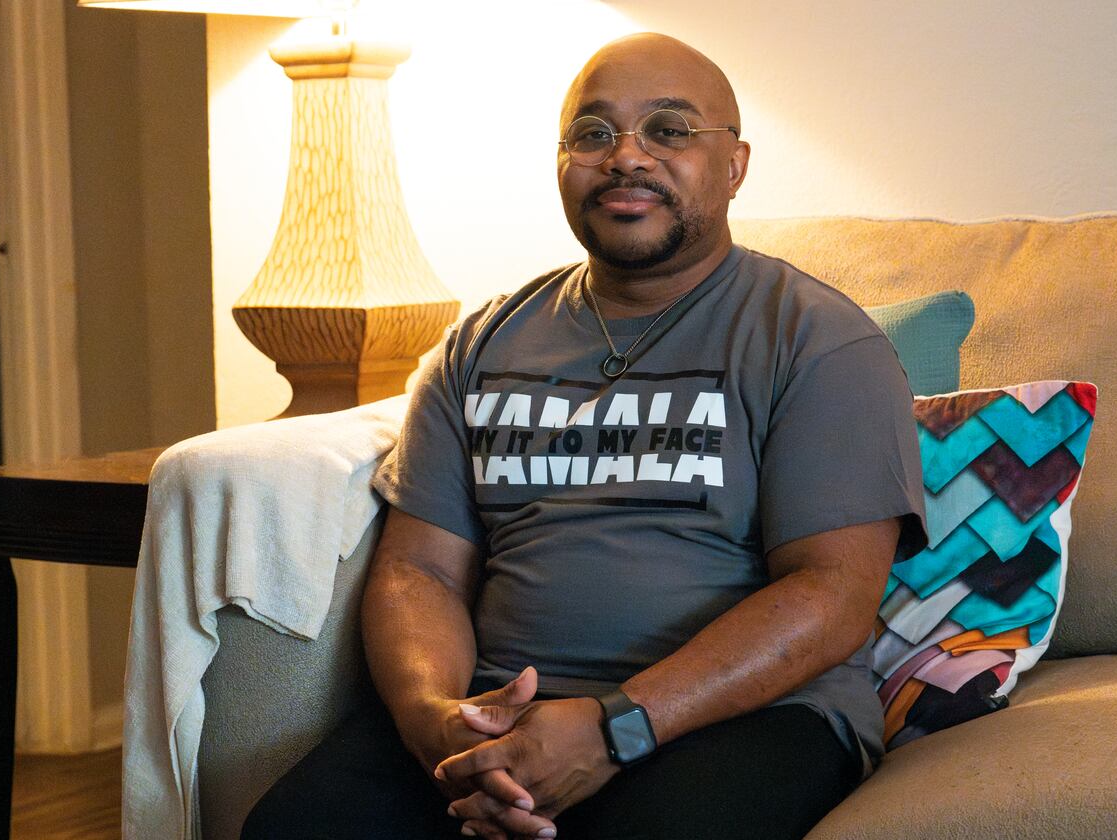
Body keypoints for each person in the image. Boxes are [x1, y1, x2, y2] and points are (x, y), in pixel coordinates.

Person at [242, 32, 927, 840]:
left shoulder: (816, 340)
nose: (625, 158)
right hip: (504, 712)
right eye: (593, 134)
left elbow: (831, 596)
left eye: (669, 130)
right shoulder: (481, 344)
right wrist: (439, 723)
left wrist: (614, 728)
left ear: (735, 164)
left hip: (745, 719)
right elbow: (419, 569)